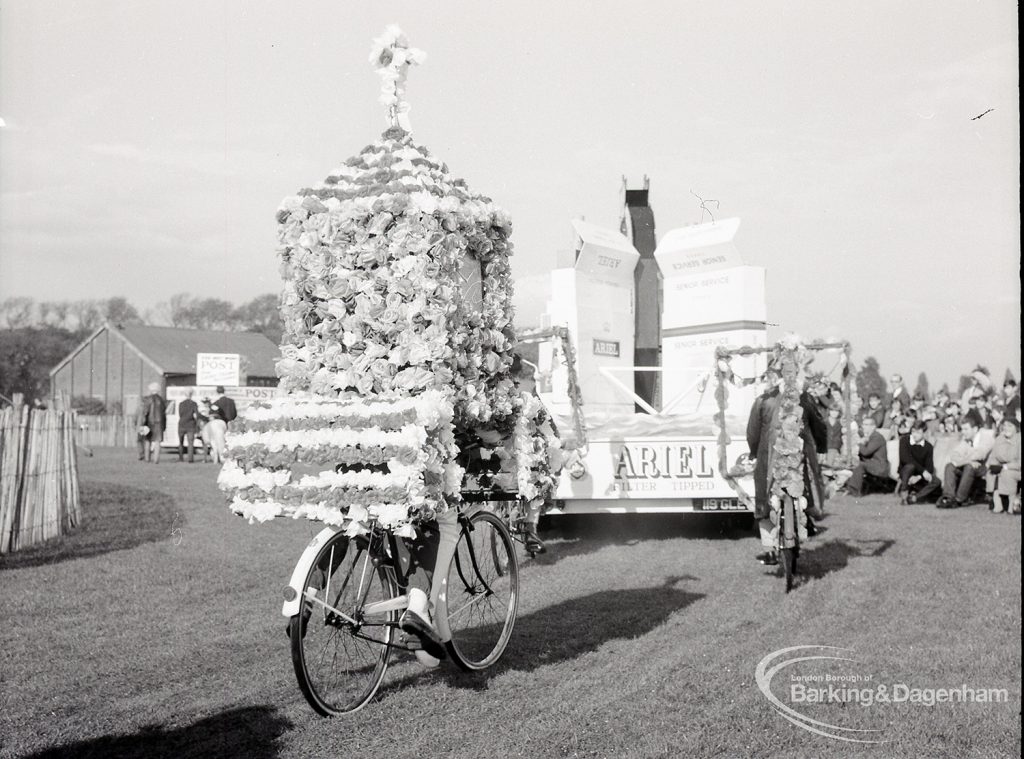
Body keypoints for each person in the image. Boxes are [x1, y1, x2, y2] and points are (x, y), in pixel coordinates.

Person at [746, 370, 826, 565]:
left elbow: (752, 432)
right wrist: (821, 447)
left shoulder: (763, 399)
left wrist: (754, 452)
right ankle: (804, 524)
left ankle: (769, 549)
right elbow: (819, 425)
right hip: (797, 457)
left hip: (769, 458)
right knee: (801, 492)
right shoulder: (804, 397)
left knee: (765, 502)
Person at [937, 417, 993, 508]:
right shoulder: (966, 439)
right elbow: (954, 455)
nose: (963, 432)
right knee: (950, 466)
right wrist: (967, 460)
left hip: (984, 468)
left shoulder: (986, 438)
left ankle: (960, 499)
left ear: (975, 429)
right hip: (970, 466)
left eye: (966, 429)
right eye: (962, 429)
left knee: (969, 467)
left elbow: (980, 455)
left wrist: (962, 460)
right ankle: (948, 497)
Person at [844, 416, 892, 497]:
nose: (863, 427)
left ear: (873, 427)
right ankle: (850, 488)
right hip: (872, 464)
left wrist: (860, 443)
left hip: (879, 466)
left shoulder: (877, 437)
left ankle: (854, 491)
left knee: (859, 465)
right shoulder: (869, 437)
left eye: (866, 425)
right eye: (863, 424)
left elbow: (866, 452)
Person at [897, 421, 939, 504]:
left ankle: (915, 498)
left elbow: (929, 467)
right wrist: (923, 471)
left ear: (924, 433)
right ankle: (904, 494)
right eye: (913, 431)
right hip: (906, 473)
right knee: (910, 466)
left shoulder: (928, 446)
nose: (915, 435)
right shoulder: (904, 440)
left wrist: (919, 477)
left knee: (937, 481)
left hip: (920, 476)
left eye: (918, 432)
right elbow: (905, 459)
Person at [986, 418, 1020, 514]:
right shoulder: (1000, 439)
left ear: (1016, 428)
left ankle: (1011, 504)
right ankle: (998, 503)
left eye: (1010, 426)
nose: (1006, 428)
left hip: (1016, 468)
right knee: (991, 473)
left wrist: (1006, 466)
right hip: (1002, 467)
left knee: (1007, 474)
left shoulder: (1019, 440)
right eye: (1004, 425)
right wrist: (992, 465)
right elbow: (993, 456)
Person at [141, 382, 166, 463]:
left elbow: (145, 412)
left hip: (149, 422)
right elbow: (163, 413)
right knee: (157, 441)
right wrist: (164, 425)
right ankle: (156, 459)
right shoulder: (161, 400)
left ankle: (147, 458)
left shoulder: (148, 399)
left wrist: (143, 423)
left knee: (147, 440)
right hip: (159, 423)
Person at [177, 389, 201, 463]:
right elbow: (197, 415)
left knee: (181, 442)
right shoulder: (194, 403)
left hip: (181, 424)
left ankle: (181, 458)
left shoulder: (181, 404)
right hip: (190, 424)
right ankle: (190, 459)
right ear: (191, 395)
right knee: (190, 442)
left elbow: (180, 414)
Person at [201, 398, 227, 463]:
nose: (205, 404)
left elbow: (217, 413)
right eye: (204, 403)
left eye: (206, 403)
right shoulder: (205, 409)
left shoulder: (213, 407)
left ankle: (219, 457)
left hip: (213, 423)